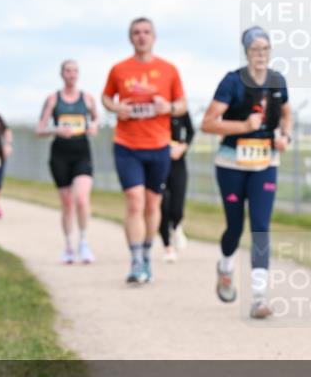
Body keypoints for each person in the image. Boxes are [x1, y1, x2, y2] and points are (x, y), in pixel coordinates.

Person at [200, 27, 292, 318]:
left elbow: (286, 115)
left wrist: (285, 137)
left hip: (265, 162)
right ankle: (225, 267)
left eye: (265, 49)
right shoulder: (232, 81)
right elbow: (208, 123)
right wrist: (243, 126)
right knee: (235, 227)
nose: (260, 54)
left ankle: (259, 298)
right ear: (247, 52)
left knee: (261, 226)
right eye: (255, 49)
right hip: (231, 164)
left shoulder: (277, 81)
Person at [102, 17, 187, 284]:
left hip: (158, 146)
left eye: (146, 32)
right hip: (127, 145)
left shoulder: (168, 70)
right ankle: (136, 259)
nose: (142, 36)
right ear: (131, 38)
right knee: (134, 201)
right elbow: (106, 97)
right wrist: (116, 108)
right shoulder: (119, 69)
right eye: (137, 32)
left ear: (154, 37)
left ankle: (148, 253)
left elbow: (182, 104)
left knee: (152, 204)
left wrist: (167, 108)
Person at [35, 60, 99, 264]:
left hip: (82, 153)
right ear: (62, 74)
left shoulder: (87, 98)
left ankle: (84, 242)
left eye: (75, 71)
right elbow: (39, 129)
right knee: (67, 203)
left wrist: (94, 126)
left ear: (78, 74)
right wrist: (56, 130)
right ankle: (68, 246)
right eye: (68, 71)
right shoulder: (53, 99)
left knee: (82, 198)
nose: (71, 74)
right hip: (60, 155)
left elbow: (96, 119)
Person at [160, 110, 195, 262]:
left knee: (177, 203)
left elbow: (190, 131)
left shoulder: (181, 109)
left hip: (177, 161)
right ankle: (168, 247)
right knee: (163, 205)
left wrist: (182, 147)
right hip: (158, 161)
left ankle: (176, 225)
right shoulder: (154, 108)